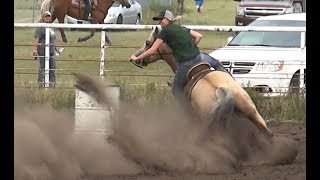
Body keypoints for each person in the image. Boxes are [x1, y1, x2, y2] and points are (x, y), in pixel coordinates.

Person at [130, 10, 227, 115]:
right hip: (199, 56)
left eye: (161, 20)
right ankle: (232, 83)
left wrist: (137, 58)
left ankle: (189, 113)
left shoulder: (164, 32)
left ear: (167, 19)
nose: (159, 22)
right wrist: (192, 47)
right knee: (217, 65)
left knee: (175, 89)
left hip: (186, 63)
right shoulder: (182, 28)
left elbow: (153, 50)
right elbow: (199, 36)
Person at [33, 11, 59, 88]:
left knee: (52, 68)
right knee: (43, 68)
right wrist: (35, 50)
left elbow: (53, 40)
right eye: (46, 16)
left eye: (49, 16)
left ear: (51, 17)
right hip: (43, 51)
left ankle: (52, 85)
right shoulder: (40, 28)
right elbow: (36, 40)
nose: (47, 17)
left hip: (51, 52)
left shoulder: (52, 28)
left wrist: (56, 49)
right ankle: (41, 85)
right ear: (43, 17)